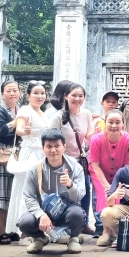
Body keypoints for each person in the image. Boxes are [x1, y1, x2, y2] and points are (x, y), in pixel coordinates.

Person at [18, 129, 87, 254]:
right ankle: (40, 238)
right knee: (25, 222)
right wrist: (41, 215)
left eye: (57, 146)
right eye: (49, 146)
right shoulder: (34, 169)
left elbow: (79, 196)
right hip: (44, 211)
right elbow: (29, 196)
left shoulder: (75, 167)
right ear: (43, 148)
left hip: (67, 211)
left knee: (77, 214)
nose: (53, 150)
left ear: (64, 147)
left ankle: (74, 238)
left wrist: (70, 185)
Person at [49, 83, 98, 236]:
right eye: (74, 95)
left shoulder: (86, 114)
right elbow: (50, 138)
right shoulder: (58, 117)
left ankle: (83, 223)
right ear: (66, 97)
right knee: (65, 193)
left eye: (80, 96)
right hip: (63, 161)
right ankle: (62, 224)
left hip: (81, 160)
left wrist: (96, 132)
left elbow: (88, 135)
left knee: (85, 190)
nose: (77, 99)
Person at [5, 81, 50, 243]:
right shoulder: (25, 110)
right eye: (36, 93)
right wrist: (24, 131)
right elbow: (19, 129)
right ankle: (24, 232)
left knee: (41, 191)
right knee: (27, 190)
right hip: (29, 153)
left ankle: (39, 228)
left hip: (42, 155)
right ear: (28, 95)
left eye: (42, 93)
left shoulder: (43, 113)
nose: (39, 96)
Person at [89, 110, 129, 235]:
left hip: (120, 174)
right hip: (99, 172)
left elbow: (127, 167)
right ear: (105, 123)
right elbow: (95, 165)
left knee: (118, 196)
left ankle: (116, 229)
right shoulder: (96, 139)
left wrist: (115, 186)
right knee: (103, 195)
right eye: (110, 122)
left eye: (117, 122)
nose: (114, 126)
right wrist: (106, 186)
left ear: (123, 124)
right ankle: (104, 230)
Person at [0, 81, 21, 245]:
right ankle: (1, 230)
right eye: (8, 91)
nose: (12, 93)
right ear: (2, 94)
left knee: (12, 192)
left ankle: (11, 228)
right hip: (1, 153)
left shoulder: (20, 110)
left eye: (15, 90)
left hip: (17, 154)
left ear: (20, 93)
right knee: (0, 192)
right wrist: (15, 123)